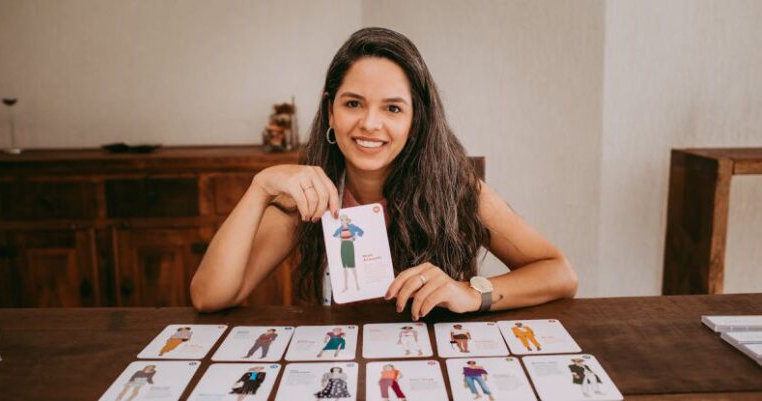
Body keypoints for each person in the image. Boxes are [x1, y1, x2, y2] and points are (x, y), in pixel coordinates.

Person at [190, 27, 577, 317]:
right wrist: (258, 189)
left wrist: (472, 293)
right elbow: (210, 296)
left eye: (392, 108)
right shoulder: (310, 198)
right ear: (330, 110)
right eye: (354, 103)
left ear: (415, 120)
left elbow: (559, 273)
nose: (370, 124)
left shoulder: (455, 187)